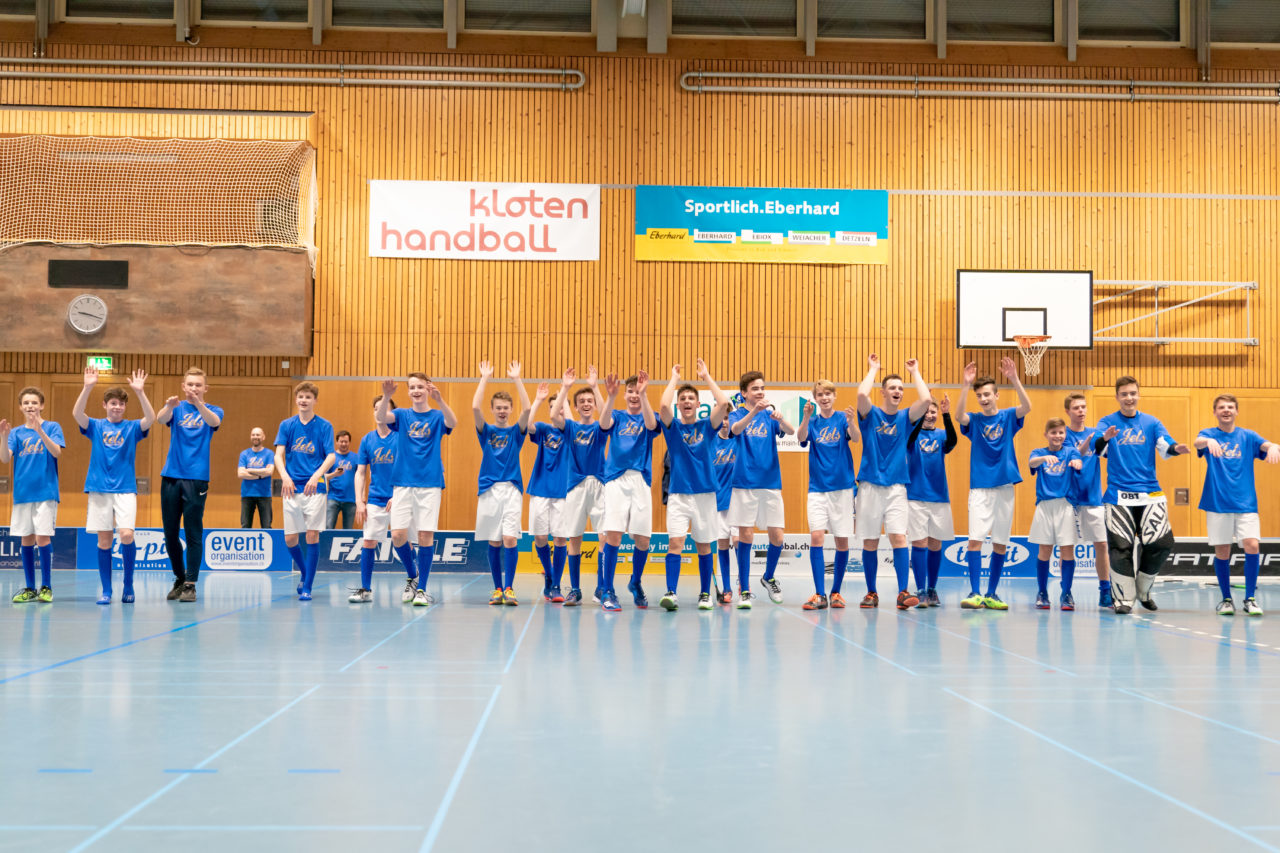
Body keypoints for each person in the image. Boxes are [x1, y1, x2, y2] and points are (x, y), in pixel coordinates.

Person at [1098, 376, 1190, 614]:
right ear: (1117, 397)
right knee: (1120, 548)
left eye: (1133, 393)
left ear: (1139, 395)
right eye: (1124, 394)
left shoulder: (1151, 422)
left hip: (1150, 493)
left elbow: (1165, 443)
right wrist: (1105, 438)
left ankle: (1142, 589)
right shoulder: (1107, 422)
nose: (1129, 398)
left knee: (1162, 543)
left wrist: (1175, 448)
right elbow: (1098, 448)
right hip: (1118, 496)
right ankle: (1124, 599)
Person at [72, 366, 156, 605]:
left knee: (127, 534)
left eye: (121, 403)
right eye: (113, 403)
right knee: (104, 542)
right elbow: (77, 414)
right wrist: (87, 387)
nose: (117, 407)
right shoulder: (96, 426)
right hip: (98, 489)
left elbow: (150, 419)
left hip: (125, 489)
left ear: (124, 407)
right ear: (105, 405)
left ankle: (128, 584)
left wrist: (140, 392)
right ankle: (107, 590)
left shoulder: (131, 428)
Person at [855, 355, 933, 610]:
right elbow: (861, 395)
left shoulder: (906, 418)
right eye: (893, 388)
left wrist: (916, 373)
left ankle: (902, 592)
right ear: (883, 392)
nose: (898, 391)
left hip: (897, 487)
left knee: (899, 538)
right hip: (869, 486)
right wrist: (874, 369)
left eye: (901, 388)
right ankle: (871, 592)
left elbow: (926, 400)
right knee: (870, 542)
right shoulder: (871, 414)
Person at [956, 358, 1031, 611]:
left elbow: (1027, 406)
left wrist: (1014, 379)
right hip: (980, 488)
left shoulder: (1009, 416)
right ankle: (975, 592)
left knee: (1000, 542)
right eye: (979, 395)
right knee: (975, 540)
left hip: (1005, 488)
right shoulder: (975, 421)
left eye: (987, 394)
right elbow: (958, 416)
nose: (983, 399)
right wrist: (966, 385)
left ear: (996, 395)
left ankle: (992, 593)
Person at [377, 373, 458, 607]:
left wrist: (441, 400)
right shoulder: (402, 415)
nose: (416, 390)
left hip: (430, 484)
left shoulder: (436, 416)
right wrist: (386, 396)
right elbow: (381, 417)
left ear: (427, 388)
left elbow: (453, 423)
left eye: (420, 386)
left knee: (424, 536)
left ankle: (422, 589)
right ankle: (412, 576)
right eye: (412, 387)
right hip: (402, 483)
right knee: (398, 535)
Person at [1194, 394, 1279, 616]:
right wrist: (1208, 441)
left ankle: (1250, 598)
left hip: (1246, 504)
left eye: (1230, 407)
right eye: (1221, 407)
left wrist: (1273, 446)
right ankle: (1226, 600)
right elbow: (1197, 442)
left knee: (1252, 545)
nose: (1226, 410)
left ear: (1236, 411)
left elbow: (1265, 443)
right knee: (1223, 551)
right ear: (1215, 412)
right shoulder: (1209, 434)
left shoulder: (1248, 436)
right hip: (1218, 503)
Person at [658, 360, 730, 611]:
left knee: (703, 545)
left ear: (698, 405)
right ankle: (671, 593)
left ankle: (704, 594)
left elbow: (723, 404)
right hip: (678, 495)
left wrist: (707, 376)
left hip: (705, 495)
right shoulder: (673, 428)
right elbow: (663, 405)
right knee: (675, 544)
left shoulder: (706, 427)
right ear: (680, 405)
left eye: (691, 398)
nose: (687, 401)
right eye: (683, 399)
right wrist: (674, 379)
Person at [728, 371, 797, 609]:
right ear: (744, 393)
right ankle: (744, 589)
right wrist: (754, 412)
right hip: (744, 483)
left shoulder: (769, 415)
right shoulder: (737, 414)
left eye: (762, 388)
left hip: (770, 483)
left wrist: (780, 419)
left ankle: (768, 577)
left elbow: (790, 431)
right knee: (745, 536)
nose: (760, 392)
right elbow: (735, 430)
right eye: (755, 389)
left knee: (777, 536)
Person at [155, 367, 223, 604]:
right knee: (170, 534)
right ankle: (180, 578)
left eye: (198, 385)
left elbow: (214, 422)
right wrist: (169, 406)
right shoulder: (176, 408)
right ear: (183, 386)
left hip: (197, 479)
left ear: (205, 388)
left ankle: (191, 584)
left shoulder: (213, 410)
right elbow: (160, 418)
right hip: (171, 477)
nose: (193, 388)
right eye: (190, 384)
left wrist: (199, 403)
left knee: (193, 532)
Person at [598, 370, 662, 612]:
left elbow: (651, 425)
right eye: (631, 392)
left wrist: (645, 396)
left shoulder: (649, 414)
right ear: (625, 394)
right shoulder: (615, 414)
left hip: (641, 481)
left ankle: (635, 582)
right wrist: (611, 396)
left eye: (638, 391)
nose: (635, 395)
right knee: (613, 535)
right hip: (615, 480)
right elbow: (604, 424)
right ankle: (607, 590)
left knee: (643, 539)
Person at [796, 379, 860, 611]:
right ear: (815, 398)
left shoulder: (843, 418)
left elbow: (855, 438)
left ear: (834, 396)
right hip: (817, 490)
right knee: (816, 538)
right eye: (820, 394)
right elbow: (801, 438)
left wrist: (852, 422)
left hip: (842, 489)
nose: (824, 398)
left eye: (828, 394)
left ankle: (836, 592)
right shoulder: (812, 421)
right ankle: (819, 594)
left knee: (842, 540)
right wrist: (804, 418)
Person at [473, 360, 531, 606]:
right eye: (498, 407)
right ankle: (497, 589)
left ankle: (509, 588)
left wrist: (517, 379)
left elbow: (527, 410)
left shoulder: (516, 433)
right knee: (494, 541)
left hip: (511, 489)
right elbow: (475, 407)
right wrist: (484, 377)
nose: (503, 411)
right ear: (493, 409)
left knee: (510, 539)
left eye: (506, 407)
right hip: (488, 489)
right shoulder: (485, 431)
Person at [349, 394, 417, 603]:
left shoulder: (401, 438)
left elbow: (411, 469)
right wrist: (360, 501)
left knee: (401, 540)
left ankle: (414, 578)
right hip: (375, 498)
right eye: (376, 408)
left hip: (401, 496)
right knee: (369, 541)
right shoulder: (367, 440)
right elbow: (360, 472)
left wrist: (398, 496)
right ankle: (365, 589)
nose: (380, 412)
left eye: (384, 408)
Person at [1, 386, 64, 603]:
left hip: (46, 492)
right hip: (22, 494)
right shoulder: (16, 433)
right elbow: (5, 459)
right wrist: (3, 437)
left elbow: (56, 452)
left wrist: (40, 431)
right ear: (20, 407)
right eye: (26, 403)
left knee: (42, 537)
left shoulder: (53, 427)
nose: (30, 406)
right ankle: (29, 588)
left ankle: (46, 587)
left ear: (42, 405)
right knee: (26, 539)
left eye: (34, 402)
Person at [550, 366, 607, 607]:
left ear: (594, 405)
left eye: (589, 401)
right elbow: (554, 416)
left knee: (605, 538)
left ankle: (603, 587)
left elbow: (608, 414)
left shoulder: (600, 427)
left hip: (600, 485)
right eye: (581, 401)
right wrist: (565, 387)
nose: (586, 403)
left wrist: (595, 386)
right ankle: (575, 589)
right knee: (574, 538)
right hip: (575, 486)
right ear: (575, 406)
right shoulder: (571, 427)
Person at [274, 381, 336, 602]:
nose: (303, 400)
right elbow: (278, 455)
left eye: (308, 397)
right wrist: (284, 476)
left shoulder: (325, 426)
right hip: (291, 487)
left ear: (315, 400)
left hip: (314, 488)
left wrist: (316, 476)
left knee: (311, 534)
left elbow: (331, 456)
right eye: (300, 396)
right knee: (290, 538)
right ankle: (304, 571)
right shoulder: (287, 425)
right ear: (296, 399)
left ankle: (308, 586)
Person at [1028, 418, 1094, 611]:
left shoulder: (1070, 451)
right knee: (1044, 551)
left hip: (1065, 506)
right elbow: (1031, 462)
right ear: (1046, 434)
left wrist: (1076, 462)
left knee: (1067, 551)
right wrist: (1042, 460)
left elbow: (1079, 462)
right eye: (1053, 432)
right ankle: (1042, 592)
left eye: (1061, 432)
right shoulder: (1039, 453)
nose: (1057, 436)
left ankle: (1066, 593)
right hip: (1044, 506)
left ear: (1065, 435)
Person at [1064, 394, 1115, 607]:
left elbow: (1106, 454)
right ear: (1068, 411)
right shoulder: (1062, 434)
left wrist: (1108, 439)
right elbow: (1072, 456)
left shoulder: (1097, 435)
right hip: (1069, 499)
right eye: (1076, 407)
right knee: (1067, 546)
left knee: (1101, 545)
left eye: (1084, 407)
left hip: (1093, 498)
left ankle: (1105, 591)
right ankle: (1066, 592)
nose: (1081, 411)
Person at [906, 395, 956, 607]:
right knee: (919, 542)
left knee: (935, 544)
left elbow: (953, 441)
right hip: (915, 495)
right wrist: (918, 416)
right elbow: (909, 439)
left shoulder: (942, 435)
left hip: (938, 495)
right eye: (926, 411)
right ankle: (920, 590)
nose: (929, 415)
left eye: (933, 411)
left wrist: (946, 414)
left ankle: (933, 589)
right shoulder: (912, 434)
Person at [526, 383, 569, 603]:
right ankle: (549, 573)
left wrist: (565, 395)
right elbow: (527, 424)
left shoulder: (573, 432)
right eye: (554, 406)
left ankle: (556, 584)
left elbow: (569, 420)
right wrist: (538, 400)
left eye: (561, 406)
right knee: (541, 537)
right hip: (540, 488)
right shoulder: (544, 429)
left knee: (561, 538)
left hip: (563, 492)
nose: (558, 410)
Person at [711, 414, 738, 605]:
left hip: (737, 500)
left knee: (738, 541)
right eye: (721, 418)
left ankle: (744, 585)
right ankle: (726, 588)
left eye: (727, 418)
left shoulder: (739, 440)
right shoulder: (710, 443)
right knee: (722, 544)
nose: (725, 422)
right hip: (717, 502)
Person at [238, 427, 274, 529]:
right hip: (247, 494)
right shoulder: (244, 454)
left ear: (263, 437)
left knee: (267, 526)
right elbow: (240, 474)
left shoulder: (269, 453)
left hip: (264, 494)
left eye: (258, 435)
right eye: (253, 434)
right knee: (245, 526)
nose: (255, 437)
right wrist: (261, 474)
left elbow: (270, 471)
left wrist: (249, 470)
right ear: (250, 437)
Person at [325, 430, 358, 529]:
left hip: (350, 499)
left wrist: (362, 498)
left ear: (349, 442)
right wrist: (334, 474)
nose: (343, 444)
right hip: (333, 498)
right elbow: (322, 477)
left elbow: (361, 477)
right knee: (328, 528)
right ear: (337, 442)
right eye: (341, 441)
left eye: (346, 442)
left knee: (348, 530)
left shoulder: (356, 457)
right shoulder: (331, 458)